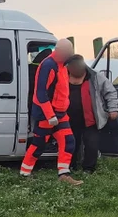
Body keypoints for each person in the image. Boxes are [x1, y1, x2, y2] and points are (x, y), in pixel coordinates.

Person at [20, 38, 82, 185]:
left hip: (60, 113)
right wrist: (50, 115)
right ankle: (25, 173)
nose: (70, 55)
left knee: (68, 141)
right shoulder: (48, 65)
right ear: (59, 51)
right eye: (68, 52)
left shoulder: (63, 65)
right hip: (46, 114)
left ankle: (64, 174)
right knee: (39, 144)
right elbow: (41, 94)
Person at [65, 54, 118, 173]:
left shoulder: (95, 76)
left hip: (90, 119)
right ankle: (70, 166)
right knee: (71, 144)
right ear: (69, 68)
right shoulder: (63, 76)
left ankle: (88, 168)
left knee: (91, 145)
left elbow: (110, 92)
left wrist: (113, 109)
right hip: (69, 119)